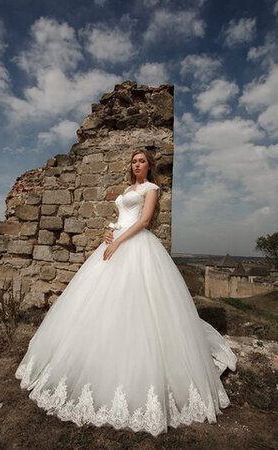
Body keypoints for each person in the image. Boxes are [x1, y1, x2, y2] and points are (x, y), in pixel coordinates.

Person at [15, 149, 237, 437]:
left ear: (149, 166)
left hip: (137, 245)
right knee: (99, 303)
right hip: (116, 241)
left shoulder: (151, 188)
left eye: (141, 161)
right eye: (134, 161)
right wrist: (110, 233)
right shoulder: (127, 189)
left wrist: (119, 242)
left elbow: (144, 221)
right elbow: (121, 216)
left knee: (140, 305)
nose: (137, 165)